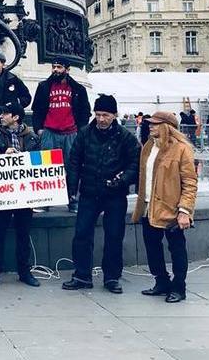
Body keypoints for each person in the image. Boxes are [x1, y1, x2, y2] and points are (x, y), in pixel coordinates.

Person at [63, 94, 140, 294]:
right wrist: (72, 188)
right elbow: (74, 161)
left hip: (115, 194)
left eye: (105, 115)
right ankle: (81, 275)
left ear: (114, 115)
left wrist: (122, 180)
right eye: (98, 114)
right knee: (81, 234)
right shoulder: (84, 133)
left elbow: (135, 163)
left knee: (114, 236)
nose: (101, 119)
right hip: (89, 192)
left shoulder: (126, 137)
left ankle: (112, 277)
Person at [132, 112, 197, 303]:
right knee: (152, 247)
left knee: (176, 248)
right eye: (150, 123)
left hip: (172, 208)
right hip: (148, 206)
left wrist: (185, 210)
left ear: (167, 126)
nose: (150, 126)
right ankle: (161, 281)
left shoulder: (182, 149)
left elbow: (190, 182)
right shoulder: (148, 147)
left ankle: (179, 287)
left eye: (155, 124)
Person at [0, 102, 42, 288]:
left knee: (23, 234)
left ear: (15, 117)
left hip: (24, 195)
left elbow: (39, 163)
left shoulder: (32, 138)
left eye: (5, 114)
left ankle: (24, 271)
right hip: (3, 194)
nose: (1, 116)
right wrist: (1, 153)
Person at [31, 60, 90, 212]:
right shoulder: (44, 86)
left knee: (73, 168)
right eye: (54, 67)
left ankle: (72, 199)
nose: (55, 70)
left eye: (59, 67)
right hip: (49, 132)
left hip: (71, 133)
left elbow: (85, 112)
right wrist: (39, 129)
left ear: (67, 69)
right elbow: (36, 110)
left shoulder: (78, 89)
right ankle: (46, 200)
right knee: (47, 168)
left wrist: (80, 131)